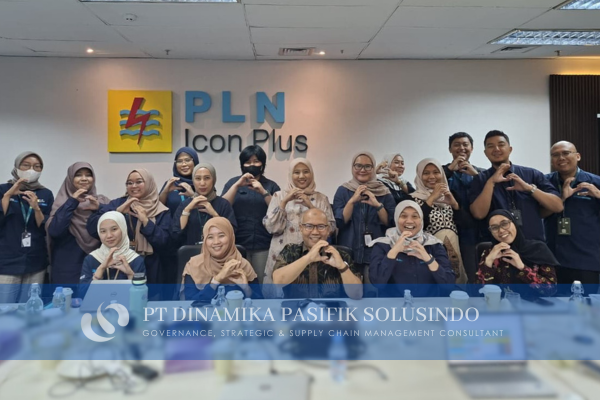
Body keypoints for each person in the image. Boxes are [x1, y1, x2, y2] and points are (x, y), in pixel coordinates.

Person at [469, 130, 563, 241]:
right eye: (491, 146)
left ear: (510, 149)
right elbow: (478, 214)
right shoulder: (480, 179)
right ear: (485, 153)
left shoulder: (532, 174)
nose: (496, 149)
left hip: (533, 243)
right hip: (498, 245)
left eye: (501, 145)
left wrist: (529, 188)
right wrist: (491, 182)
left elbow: (558, 206)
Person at [87, 168, 171, 289]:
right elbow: (92, 229)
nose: (134, 186)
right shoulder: (118, 203)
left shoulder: (161, 210)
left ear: (149, 183)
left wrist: (146, 222)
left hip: (150, 267)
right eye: (129, 183)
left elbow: (165, 242)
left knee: (144, 297)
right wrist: (117, 212)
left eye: (139, 182)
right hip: (118, 264)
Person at [263, 158, 335, 286]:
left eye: (306, 171)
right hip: (282, 256)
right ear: (290, 174)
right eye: (296, 172)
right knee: (280, 289)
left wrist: (311, 206)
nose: (301, 176)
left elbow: (331, 229)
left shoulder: (321, 198)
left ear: (311, 173)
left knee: (307, 290)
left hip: (313, 255)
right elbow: (271, 228)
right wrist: (284, 202)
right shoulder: (279, 196)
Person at [369, 200, 455, 297]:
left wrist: (428, 259)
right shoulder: (382, 245)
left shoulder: (433, 244)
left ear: (421, 220)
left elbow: (449, 284)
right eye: (403, 216)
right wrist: (394, 251)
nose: (409, 221)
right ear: (396, 219)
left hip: (427, 304)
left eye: (415, 216)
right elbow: (377, 283)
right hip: (394, 304)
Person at [544, 141, 600, 288]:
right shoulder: (545, 182)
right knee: (554, 301)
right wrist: (561, 198)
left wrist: (598, 194)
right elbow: (539, 213)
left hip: (586, 260)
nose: (561, 158)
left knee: (587, 301)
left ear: (578, 156)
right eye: (555, 155)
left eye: (566, 153)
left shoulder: (595, 182)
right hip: (552, 258)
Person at [272, 209, 363, 299]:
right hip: (297, 307)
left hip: (331, 308)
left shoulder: (341, 255)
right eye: (309, 226)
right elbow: (278, 282)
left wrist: (342, 267)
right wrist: (308, 258)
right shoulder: (290, 251)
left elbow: (357, 294)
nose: (315, 232)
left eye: (321, 226)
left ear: (328, 229)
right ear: (301, 228)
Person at [0, 151, 54, 303]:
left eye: (37, 166)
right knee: (5, 308)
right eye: (26, 165)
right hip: (7, 261)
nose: (31, 170)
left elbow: (45, 227)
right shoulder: (3, 189)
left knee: (30, 307)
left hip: (35, 261)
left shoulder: (45, 193)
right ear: (17, 167)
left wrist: (36, 208)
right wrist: (7, 196)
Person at [222, 145, 280, 283]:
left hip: (263, 245)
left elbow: (279, 211)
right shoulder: (232, 183)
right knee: (238, 282)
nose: (251, 165)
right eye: (247, 162)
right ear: (242, 165)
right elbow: (222, 207)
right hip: (237, 245)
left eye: (256, 161)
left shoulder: (271, 186)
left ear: (262, 164)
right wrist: (237, 186)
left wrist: (263, 192)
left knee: (261, 283)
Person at [46, 162, 109, 286]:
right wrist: (72, 201)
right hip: (66, 267)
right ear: (70, 178)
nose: (84, 178)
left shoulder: (102, 201)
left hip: (96, 264)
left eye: (88, 175)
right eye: (78, 175)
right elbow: (55, 231)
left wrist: (99, 208)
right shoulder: (62, 202)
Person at [333, 152, 395, 270]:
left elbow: (390, 223)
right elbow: (339, 222)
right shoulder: (343, 190)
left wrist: (377, 205)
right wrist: (351, 202)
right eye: (358, 165)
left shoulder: (384, 192)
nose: (362, 170)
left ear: (373, 168)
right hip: (348, 252)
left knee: (372, 282)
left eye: (367, 166)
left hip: (376, 253)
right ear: (352, 167)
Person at [411, 158, 467, 284]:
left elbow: (466, 225)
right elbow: (417, 224)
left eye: (436, 172)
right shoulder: (412, 199)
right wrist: (431, 198)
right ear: (419, 175)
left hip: (456, 250)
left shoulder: (451, 195)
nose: (432, 177)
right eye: (426, 173)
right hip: (429, 252)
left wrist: (455, 204)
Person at [442, 132, 486, 283]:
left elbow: (491, 193)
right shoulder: (441, 172)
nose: (461, 148)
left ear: (472, 148)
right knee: (449, 272)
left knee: (474, 272)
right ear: (450, 149)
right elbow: (430, 187)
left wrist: (476, 175)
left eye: (465, 144)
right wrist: (449, 169)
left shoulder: (481, 173)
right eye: (456, 145)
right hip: (447, 229)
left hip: (474, 231)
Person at [478, 210, 558, 291]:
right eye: (494, 228)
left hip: (533, 299)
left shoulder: (538, 249)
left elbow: (551, 290)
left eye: (505, 224)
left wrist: (522, 268)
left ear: (514, 223)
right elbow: (478, 291)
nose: (501, 230)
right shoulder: (490, 253)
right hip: (500, 299)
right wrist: (489, 261)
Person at [182, 217, 259, 301]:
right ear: (204, 240)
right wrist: (216, 280)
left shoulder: (243, 265)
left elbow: (261, 303)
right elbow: (190, 302)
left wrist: (246, 289)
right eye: (210, 237)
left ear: (231, 237)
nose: (216, 242)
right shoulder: (194, 265)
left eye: (221, 236)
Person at [172, 162, 236, 246]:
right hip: (191, 253)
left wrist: (214, 214)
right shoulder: (185, 205)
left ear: (214, 180)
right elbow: (175, 236)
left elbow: (231, 234)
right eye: (198, 178)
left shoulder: (223, 204)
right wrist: (186, 211)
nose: (202, 183)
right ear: (193, 181)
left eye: (207, 178)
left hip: (218, 252)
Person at [80, 211, 145, 285]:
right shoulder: (92, 258)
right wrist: (100, 270)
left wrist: (130, 275)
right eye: (103, 231)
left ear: (123, 229)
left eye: (114, 229)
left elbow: (141, 291)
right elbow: (82, 291)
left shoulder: (136, 259)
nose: (109, 235)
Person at [159, 147, 199, 216]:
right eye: (179, 161)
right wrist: (165, 192)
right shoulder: (171, 184)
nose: (184, 164)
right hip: (172, 223)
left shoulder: (201, 183)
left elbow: (208, 208)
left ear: (195, 161)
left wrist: (193, 195)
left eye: (187, 160)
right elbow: (158, 209)